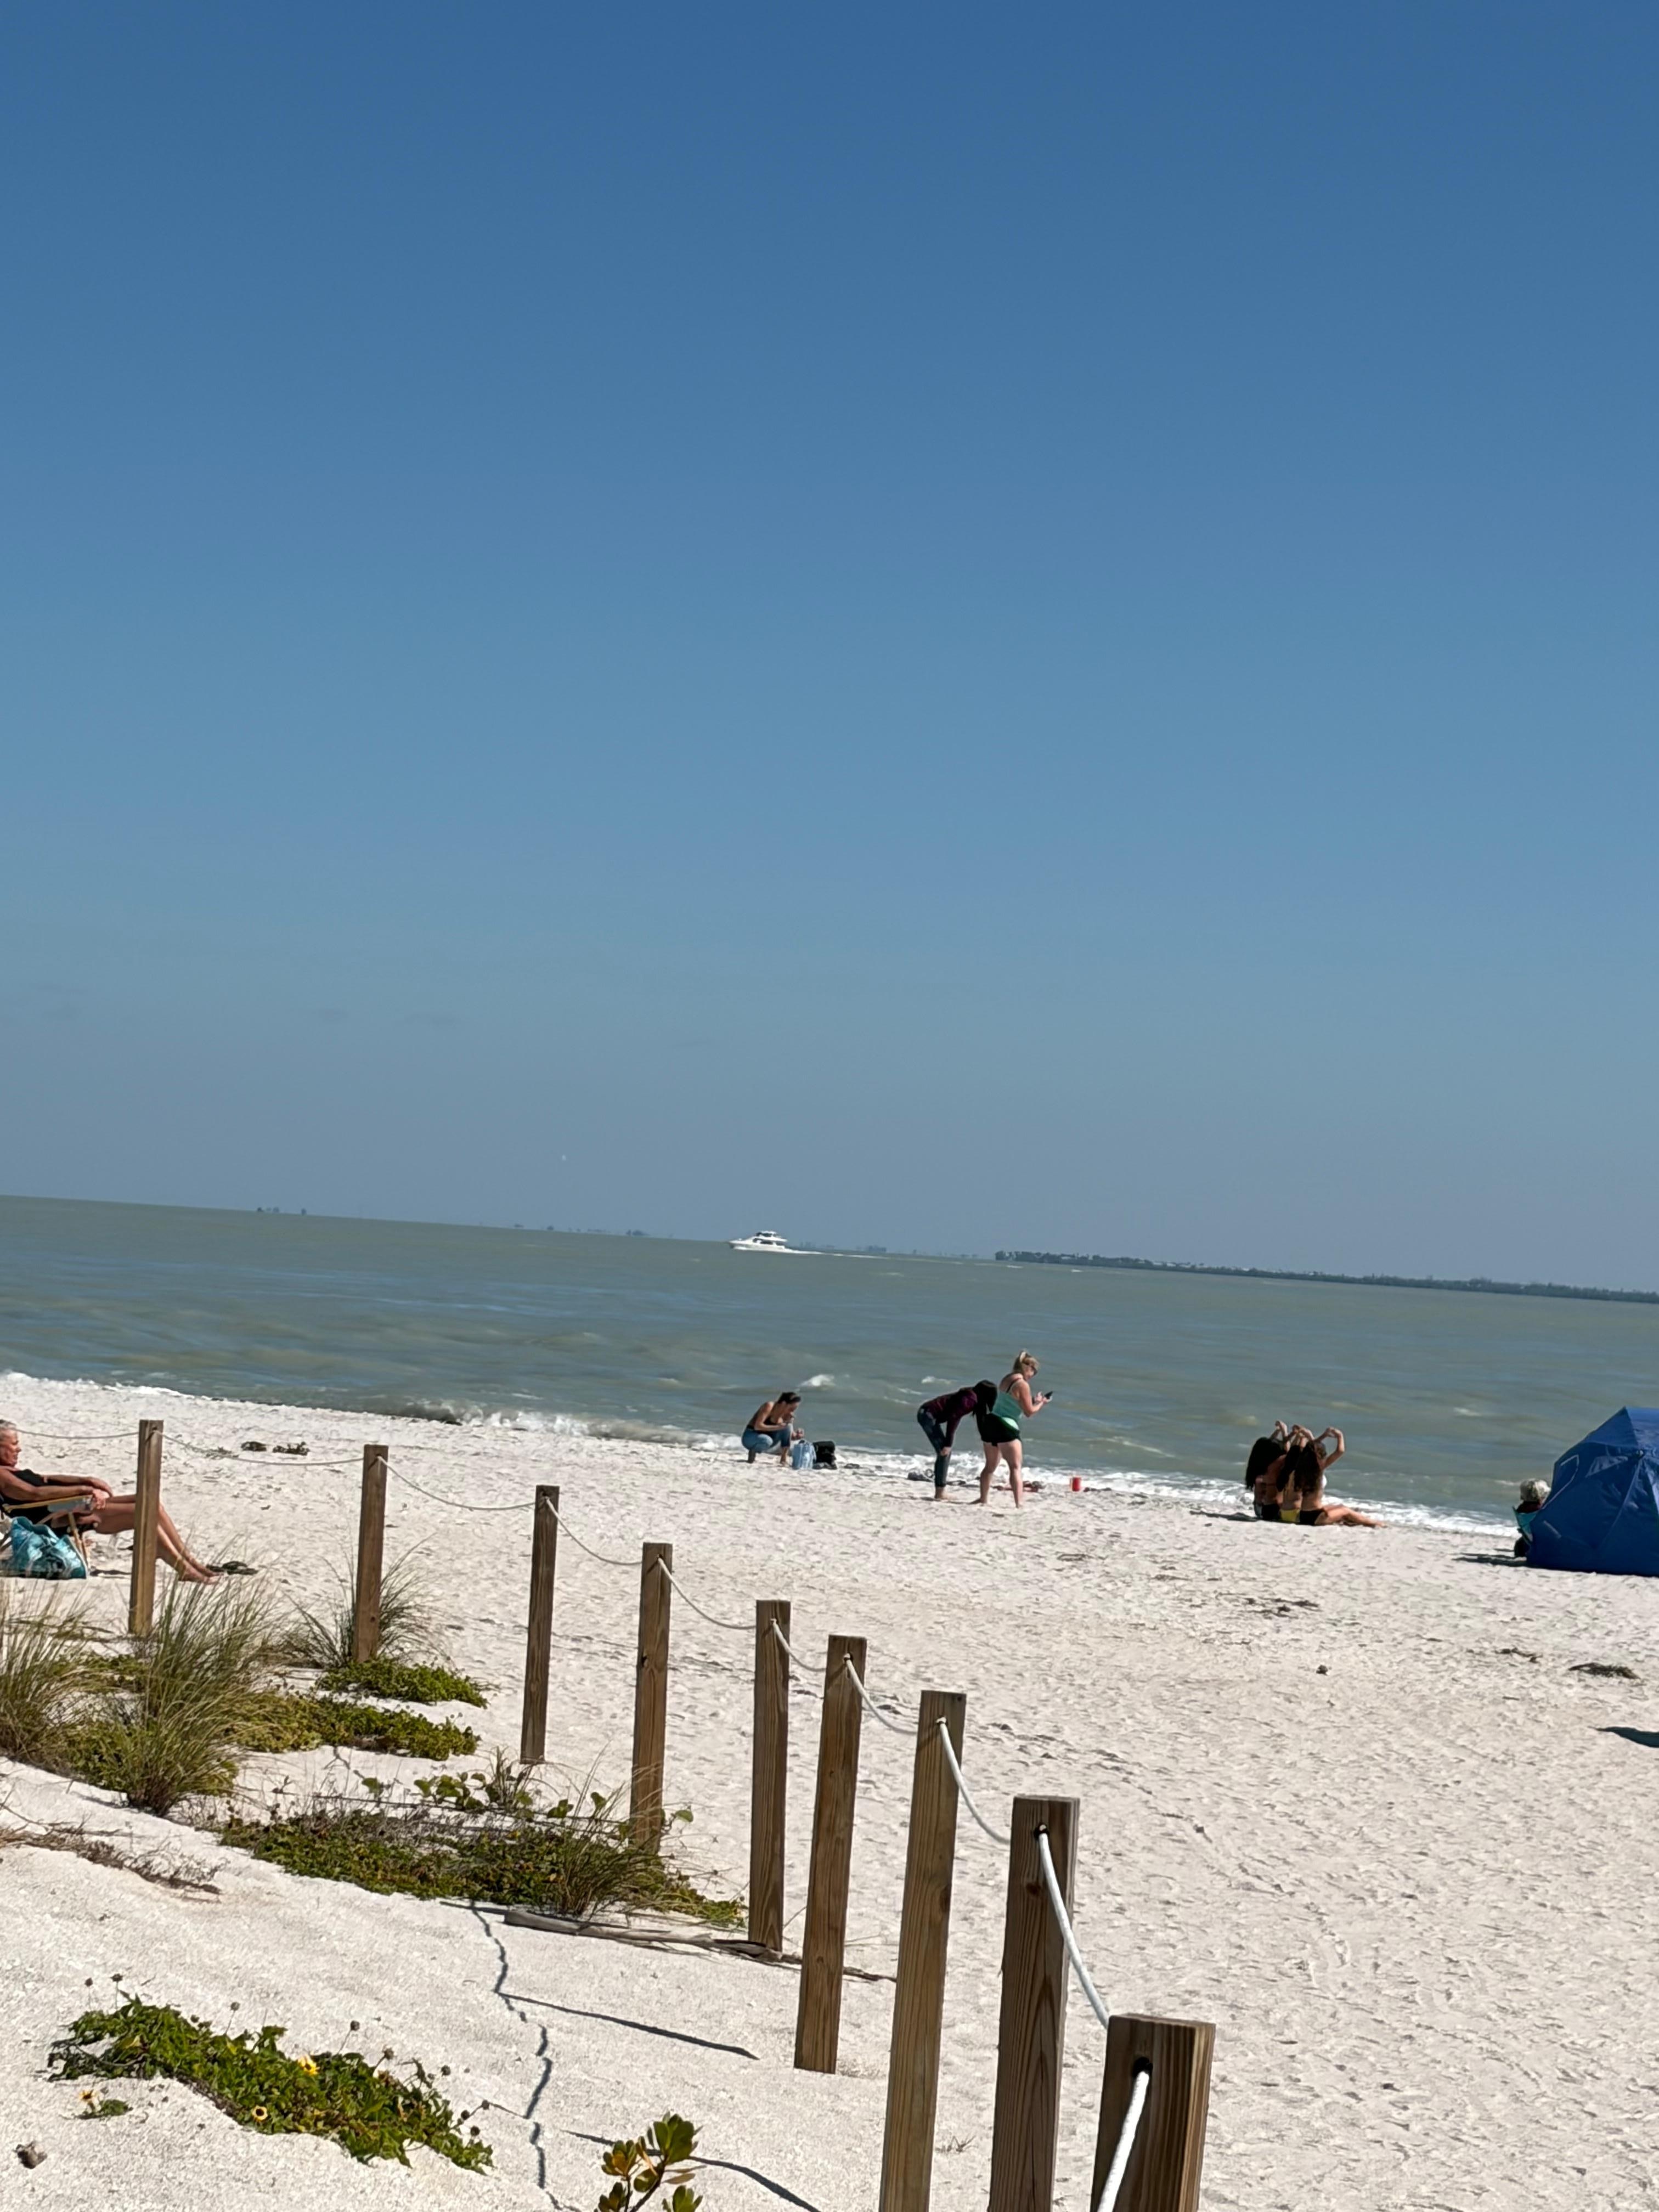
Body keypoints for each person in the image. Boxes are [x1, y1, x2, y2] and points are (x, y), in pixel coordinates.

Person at [0, 1421, 221, 1582]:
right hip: (56, 1517)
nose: (19, 1449)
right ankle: (183, 1569)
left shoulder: (12, 1470)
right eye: (14, 1444)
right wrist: (85, 1490)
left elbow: (46, 1479)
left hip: (69, 1505)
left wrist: (88, 1480)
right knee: (142, 1512)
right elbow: (34, 1494)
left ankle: (189, 1560)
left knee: (149, 1502)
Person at [976, 1352, 1049, 1509]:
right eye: (1034, 1372)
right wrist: (1041, 1403)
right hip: (1006, 1425)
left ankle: (983, 1499)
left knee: (990, 1466)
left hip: (991, 1422)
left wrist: (1033, 1401)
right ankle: (1019, 1504)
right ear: (1028, 1368)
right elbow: (1029, 1412)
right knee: (1015, 1467)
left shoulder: (1007, 1379)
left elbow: (1012, 1401)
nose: (1033, 1376)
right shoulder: (1023, 1384)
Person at [1280, 1425, 1382, 1528]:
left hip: (1303, 1515)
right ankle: (1374, 1524)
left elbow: (1311, 1448)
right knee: (1345, 1510)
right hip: (1315, 1517)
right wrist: (1340, 1436)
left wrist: (1323, 1436)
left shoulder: (1300, 1471)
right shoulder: (1319, 1470)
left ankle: (1356, 1522)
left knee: (1339, 1507)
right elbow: (1340, 1451)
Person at [915, 1383, 996, 1499]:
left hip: (928, 1414)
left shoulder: (974, 1399)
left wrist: (988, 1438)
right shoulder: (969, 1400)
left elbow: (980, 1421)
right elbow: (953, 1419)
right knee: (944, 1453)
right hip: (927, 1415)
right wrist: (949, 1444)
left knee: (943, 1453)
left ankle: (940, 1491)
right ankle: (940, 1492)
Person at [742, 1392, 801, 1464]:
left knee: (788, 1426)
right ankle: (752, 1452)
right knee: (767, 1440)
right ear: (784, 1404)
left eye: (794, 1410)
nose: (792, 1412)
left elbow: (790, 1436)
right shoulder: (770, 1406)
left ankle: (783, 1459)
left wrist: (798, 1436)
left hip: (767, 1440)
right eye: (791, 1409)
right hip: (751, 1437)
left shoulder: (786, 1415)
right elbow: (758, 1426)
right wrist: (779, 1427)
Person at [1514, 1479, 1548, 1559]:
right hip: (1544, 1539)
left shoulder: (1521, 1509)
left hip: (1529, 1539)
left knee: (1520, 1543)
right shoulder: (1542, 1509)